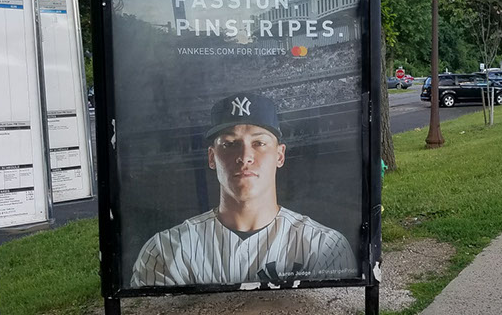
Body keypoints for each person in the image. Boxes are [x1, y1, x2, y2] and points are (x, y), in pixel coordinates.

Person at [131, 92, 357, 287]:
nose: (245, 157)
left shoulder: (325, 246)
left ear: (280, 155)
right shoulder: (164, 250)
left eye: (259, 143)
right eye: (230, 144)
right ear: (212, 157)